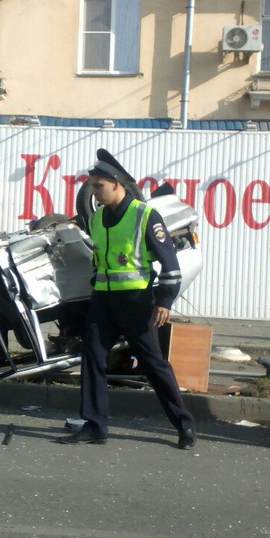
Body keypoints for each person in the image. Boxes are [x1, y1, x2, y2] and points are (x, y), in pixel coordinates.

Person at [57, 155, 196, 450]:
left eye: (99, 186)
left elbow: (170, 264)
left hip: (136, 302)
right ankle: (95, 425)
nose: (94, 192)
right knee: (93, 357)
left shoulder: (144, 215)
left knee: (153, 364)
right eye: (92, 186)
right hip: (104, 302)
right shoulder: (95, 219)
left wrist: (164, 301)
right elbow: (98, 261)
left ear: (118, 185)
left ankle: (184, 425)